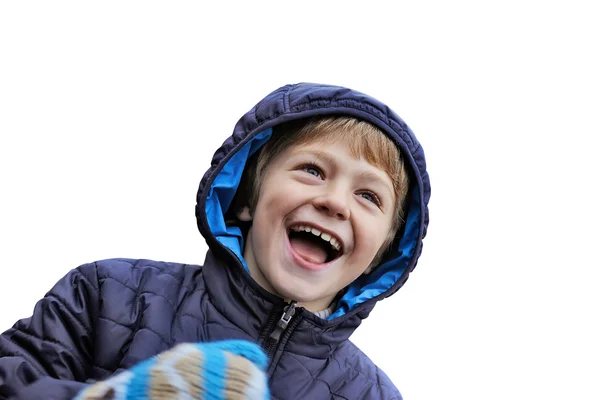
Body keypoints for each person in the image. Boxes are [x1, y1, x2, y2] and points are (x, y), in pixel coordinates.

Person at [0, 82, 431, 399]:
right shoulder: (108, 295)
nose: (336, 202)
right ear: (246, 197)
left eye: (369, 195)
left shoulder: (371, 394)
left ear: (380, 255)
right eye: (312, 170)